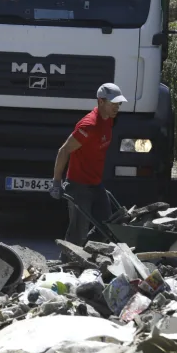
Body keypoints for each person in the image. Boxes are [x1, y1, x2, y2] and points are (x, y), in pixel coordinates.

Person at [49, 83, 127, 245]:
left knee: (108, 226)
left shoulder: (109, 121)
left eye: (118, 104)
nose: (116, 107)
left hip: (96, 184)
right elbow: (64, 151)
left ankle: (86, 253)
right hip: (78, 186)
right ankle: (66, 264)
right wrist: (57, 181)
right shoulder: (88, 126)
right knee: (77, 233)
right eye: (113, 104)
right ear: (100, 101)